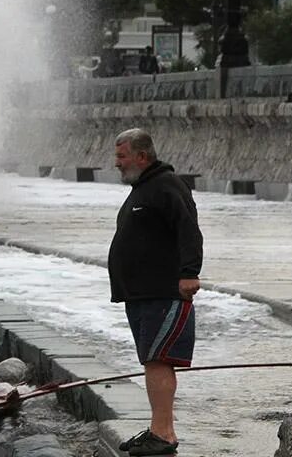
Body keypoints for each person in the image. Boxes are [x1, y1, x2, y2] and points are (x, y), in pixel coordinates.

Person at [108, 128, 202, 456]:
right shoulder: (144, 188)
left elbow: (189, 229)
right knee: (153, 360)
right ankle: (158, 429)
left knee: (159, 360)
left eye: (121, 156)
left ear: (142, 156)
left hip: (163, 292)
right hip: (142, 294)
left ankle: (163, 434)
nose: (116, 163)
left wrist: (190, 273)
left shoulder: (166, 185)